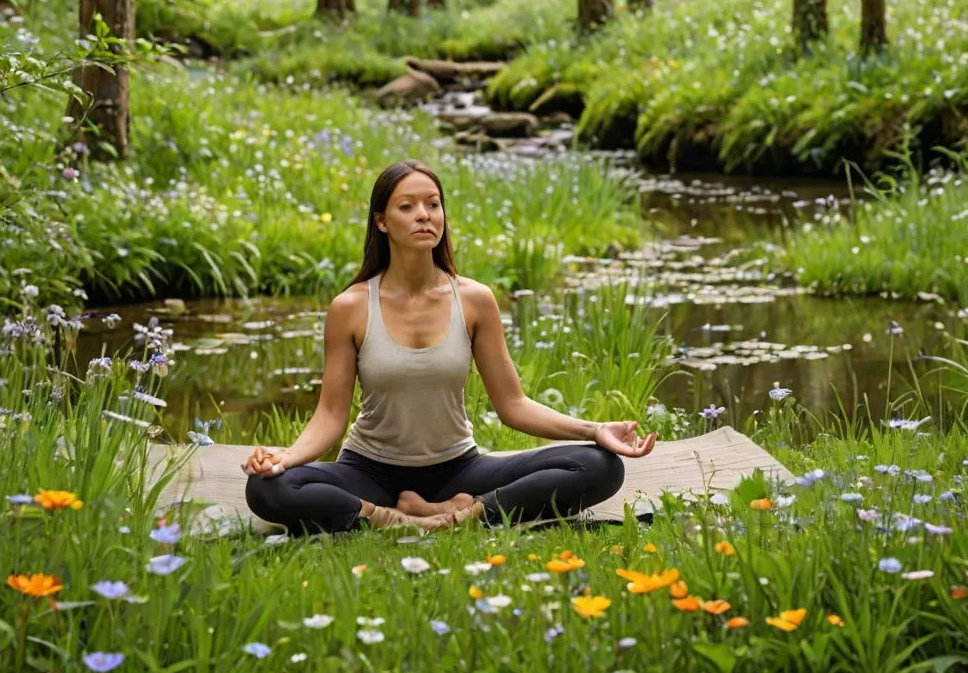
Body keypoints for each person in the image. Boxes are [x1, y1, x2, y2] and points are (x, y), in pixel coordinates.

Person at [243, 159, 657, 534]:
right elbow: (331, 416)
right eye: (407, 206)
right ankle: (389, 517)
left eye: (433, 204)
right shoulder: (350, 307)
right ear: (382, 221)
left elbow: (513, 405)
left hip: (458, 469)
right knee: (267, 489)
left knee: (600, 466)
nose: (424, 215)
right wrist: (286, 459)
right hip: (369, 471)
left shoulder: (474, 300)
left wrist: (595, 430)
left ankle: (465, 514)